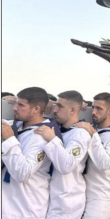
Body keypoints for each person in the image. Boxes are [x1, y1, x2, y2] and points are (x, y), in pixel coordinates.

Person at [1, 87, 60, 219]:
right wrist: (3, 100)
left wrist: (10, 140)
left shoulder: (42, 135)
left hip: (26, 209)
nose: (15, 108)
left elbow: (23, 173)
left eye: (21, 105)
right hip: (8, 206)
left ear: (36, 109)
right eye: (16, 103)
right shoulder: (16, 126)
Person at [34, 90, 91, 219]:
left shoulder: (80, 134)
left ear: (72, 110)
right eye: (55, 105)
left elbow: (67, 165)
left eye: (60, 106)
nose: (55, 110)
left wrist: (52, 139)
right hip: (50, 199)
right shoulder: (58, 129)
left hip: (66, 203)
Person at [77, 92, 110, 219]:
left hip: (102, 196)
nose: (94, 112)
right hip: (83, 192)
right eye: (93, 108)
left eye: (99, 109)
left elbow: (104, 163)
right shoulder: (92, 128)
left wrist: (93, 134)